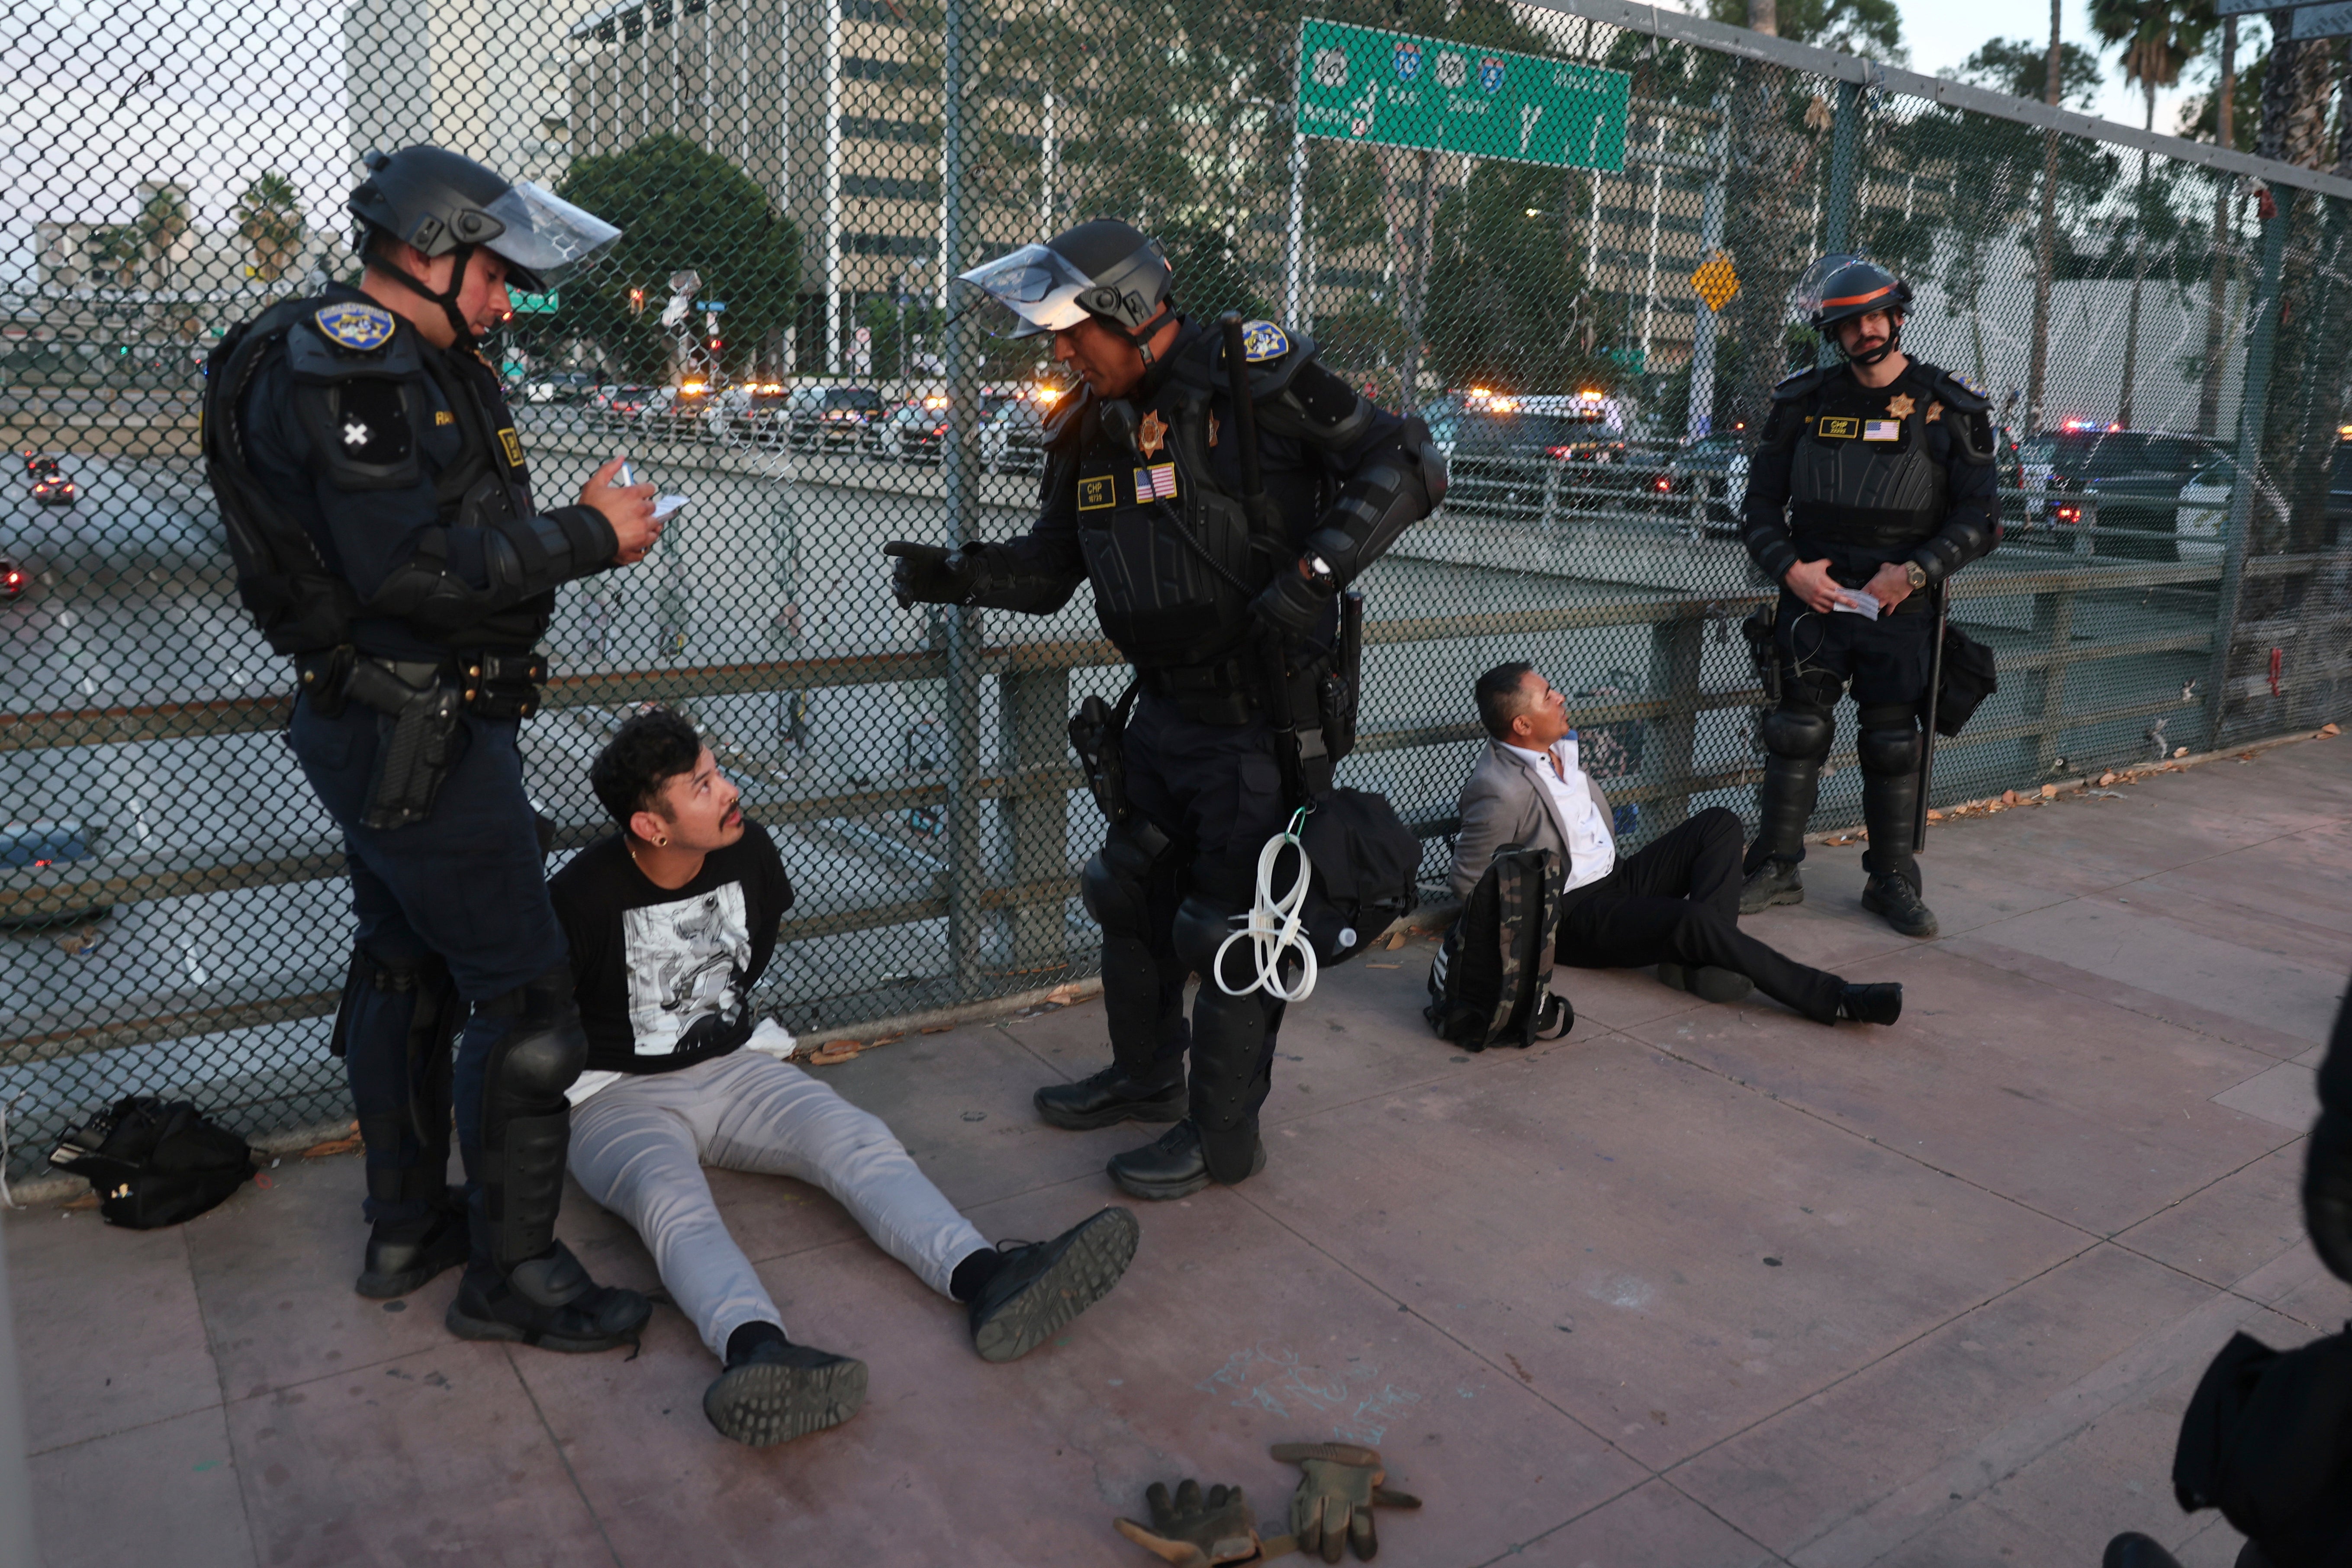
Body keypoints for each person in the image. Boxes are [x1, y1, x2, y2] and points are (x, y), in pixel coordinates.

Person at [202, 145, 659, 1350]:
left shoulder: (403, 358)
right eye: (493, 272)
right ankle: (514, 1276)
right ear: (421, 251)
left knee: (407, 965)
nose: (508, 298)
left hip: (400, 715)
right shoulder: (357, 363)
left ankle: (408, 1225)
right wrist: (587, 536)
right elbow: (401, 570)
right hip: (421, 719)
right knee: (532, 1003)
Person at [883, 219, 1444, 1199]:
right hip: (1161, 715)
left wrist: (1316, 574)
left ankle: (1223, 1137)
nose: (1060, 350)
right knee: (1128, 896)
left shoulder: (1250, 373)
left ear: (1130, 310)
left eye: (1072, 328)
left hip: (1259, 721)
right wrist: (959, 576)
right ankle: (1145, 1077)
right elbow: (1055, 569)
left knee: (1231, 929)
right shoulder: (1090, 421)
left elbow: (1406, 463)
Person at [552, 709, 1140, 1446]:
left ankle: (986, 1277)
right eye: (703, 785)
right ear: (652, 826)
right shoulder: (580, 897)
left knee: (854, 1137)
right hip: (615, 1093)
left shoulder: (750, 851)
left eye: (716, 768)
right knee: (671, 1200)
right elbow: (542, 1017)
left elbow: (751, 955)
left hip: (734, 1067)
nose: (728, 788)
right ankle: (756, 1350)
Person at [1736, 254, 2001, 939]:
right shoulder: (1800, 402)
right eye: (1849, 324)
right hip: (1813, 596)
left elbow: (1980, 519)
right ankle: (1776, 864)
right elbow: (1758, 507)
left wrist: (1911, 574)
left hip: (1898, 601)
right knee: (1794, 731)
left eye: (1875, 317)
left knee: (1891, 742)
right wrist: (1791, 571)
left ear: (1897, 316)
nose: (1864, 332)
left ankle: (1890, 878)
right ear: (1834, 334)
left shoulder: (1950, 406)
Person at [1454, 664, 1902, 1027]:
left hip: (1617, 876)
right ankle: (1835, 998)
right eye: (1547, 695)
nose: (1560, 697)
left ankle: (1702, 961)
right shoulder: (1498, 788)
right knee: (1692, 918)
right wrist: (1528, 940)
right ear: (1521, 723)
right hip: (1573, 916)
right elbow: (1468, 882)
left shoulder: (1556, 746)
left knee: (1719, 824)